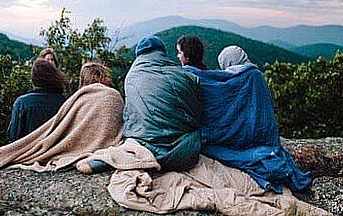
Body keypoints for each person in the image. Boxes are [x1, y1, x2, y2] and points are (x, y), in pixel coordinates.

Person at [183, 44, 312, 193]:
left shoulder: (238, 78)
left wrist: (187, 72)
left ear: (228, 62)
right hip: (265, 136)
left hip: (241, 138)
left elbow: (215, 89)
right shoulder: (255, 74)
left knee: (211, 146)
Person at [0, 62, 124, 173]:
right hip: (99, 150)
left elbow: (14, 137)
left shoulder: (24, 102)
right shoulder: (66, 100)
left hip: (44, 151)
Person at [121, 35, 204, 171]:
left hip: (142, 147)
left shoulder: (130, 77)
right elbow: (197, 114)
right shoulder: (184, 76)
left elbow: (130, 115)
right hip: (183, 153)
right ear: (162, 52)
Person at [6, 58, 66, 143]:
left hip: (28, 154)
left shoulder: (22, 103)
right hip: (58, 154)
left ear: (33, 79)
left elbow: (13, 137)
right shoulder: (64, 102)